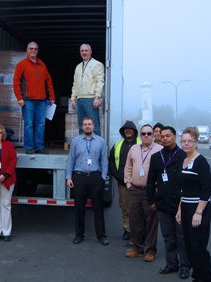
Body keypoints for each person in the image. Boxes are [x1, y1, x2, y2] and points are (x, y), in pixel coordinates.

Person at [146, 126, 191, 279]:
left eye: (168, 136)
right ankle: (171, 263)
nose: (164, 138)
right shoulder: (156, 157)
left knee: (182, 237)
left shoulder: (184, 156)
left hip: (180, 204)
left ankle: (185, 266)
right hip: (163, 203)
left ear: (175, 137)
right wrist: (151, 200)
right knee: (168, 236)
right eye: (162, 136)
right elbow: (151, 181)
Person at [176, 127, 211, 282]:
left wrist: (198, 213)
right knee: (189, 246)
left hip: (199, 209)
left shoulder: (201, 162)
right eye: (183, 141)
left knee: (199, 247)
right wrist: (180, 209)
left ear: (196, 143)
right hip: (185, 207)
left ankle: (205, 278)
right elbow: (183, 189)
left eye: (189, 141)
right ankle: (197, 276)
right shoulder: (184, 161)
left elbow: (206, 190)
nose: (186, 144)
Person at [66, 116, 109, 246]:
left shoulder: (101, 141)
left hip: (95, 176)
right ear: (82, 127)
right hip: (79, 177)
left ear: (94, 126)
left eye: (89, 124)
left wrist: (103, 177)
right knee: (79, 207)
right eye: (85, 124)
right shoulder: (76, 141)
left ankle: (101, 235)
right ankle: (79, 234)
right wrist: (69, 177)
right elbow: (71, 160)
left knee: (98, 208)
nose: (87, 127)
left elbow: (104, 161)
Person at [124, 124, 162, 262]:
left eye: (149, 133)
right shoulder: (134, 149)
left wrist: (158, 190)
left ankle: (151, 250)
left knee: (151, 222)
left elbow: (163, 172)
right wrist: (128, 183)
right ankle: (138, 249)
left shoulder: (160, 150)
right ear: (140, 136)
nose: (146, 135)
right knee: (135, 221)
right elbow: (128, 166)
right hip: (134, 190)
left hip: (150, 192)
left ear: (153, 135)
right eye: (143, 133)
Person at [13, 41, 55, 155]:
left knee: (41, 124)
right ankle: (29, 147)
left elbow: (49, 82)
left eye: (35, 49)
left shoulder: (42, 65)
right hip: (28, 100)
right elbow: (16, 82)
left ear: (37, 51)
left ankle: (39, 147)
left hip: (41, 100)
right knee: (29, 124)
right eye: (31, 48)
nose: (33, 50)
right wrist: (19, 98)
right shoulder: (21, 64)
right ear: (27, 50)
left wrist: (52, 97)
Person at [108, 120, 141, 241]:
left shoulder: (141, 143)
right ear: (122, 131)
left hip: (139, 183)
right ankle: (127, 230)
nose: (128, 131)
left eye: (130, 129)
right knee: (125, 207)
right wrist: (117, 175)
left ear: (135, 131)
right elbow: (111, 160)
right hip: (123, 183)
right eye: (125, 129)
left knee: (139, 208)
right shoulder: (118, 144)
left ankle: (139, 231)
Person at [70, 43, 105, 136]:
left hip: (91, 99)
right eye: (82, 51)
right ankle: (83, 148)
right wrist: (73, 98)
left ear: (90, 52)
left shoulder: (97, 64)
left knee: (93, 125)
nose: (84, 52)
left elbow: (100, 81)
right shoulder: (78, 67)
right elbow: (75, 84)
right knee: (82, 125)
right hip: (80, 99)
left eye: (86, 50)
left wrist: (97, 96)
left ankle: (96, 149)